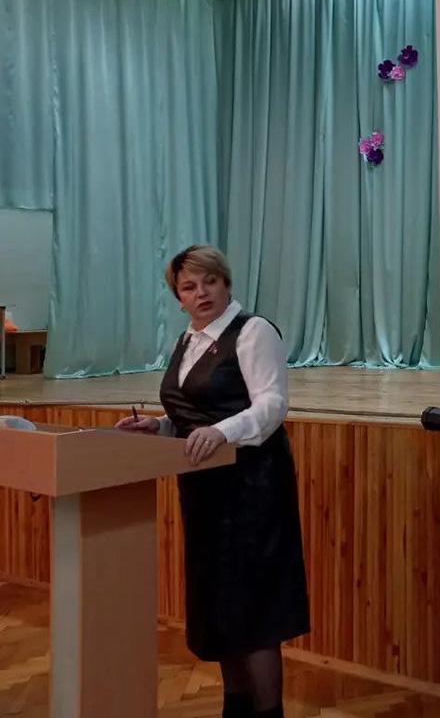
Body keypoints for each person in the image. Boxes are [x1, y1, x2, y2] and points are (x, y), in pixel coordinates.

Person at [117, 245, 309, 718]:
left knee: (255, 612)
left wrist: (222, 432)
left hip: (253, 490)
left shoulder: (254, 331)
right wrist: (161, 426)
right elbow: (196, 415)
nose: (201, 292)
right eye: (189, 286)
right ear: (178, 297)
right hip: (205, 492)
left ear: (226, 284)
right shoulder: (188, 340)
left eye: (210, 282)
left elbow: (271, 405)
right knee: (221, 608)